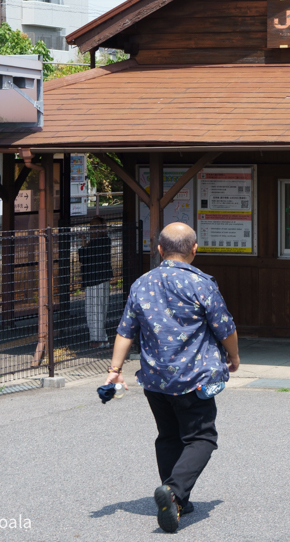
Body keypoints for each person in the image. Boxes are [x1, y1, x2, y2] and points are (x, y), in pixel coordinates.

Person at [104, 222, 240, 534]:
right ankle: (175, 491)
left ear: (160, 249)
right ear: (194, 249)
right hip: (195, 378)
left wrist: (114, 370)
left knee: (168, 436)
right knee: (201, 437)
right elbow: (225, 326)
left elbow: (126, 330)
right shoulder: (201, 283)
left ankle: (178, 501)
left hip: (155, 379)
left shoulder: (141, 283)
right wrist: (234, 356)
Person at [78, 216, 114, 348]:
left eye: (92, 227)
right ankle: (103, 339)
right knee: (102, 309)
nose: (89, 229)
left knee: (93, 310)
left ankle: (96, 339)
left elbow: (83, 257)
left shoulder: (95, 243)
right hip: (104, 279)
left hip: (93, 280)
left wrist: (82, 243)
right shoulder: (106, 240)